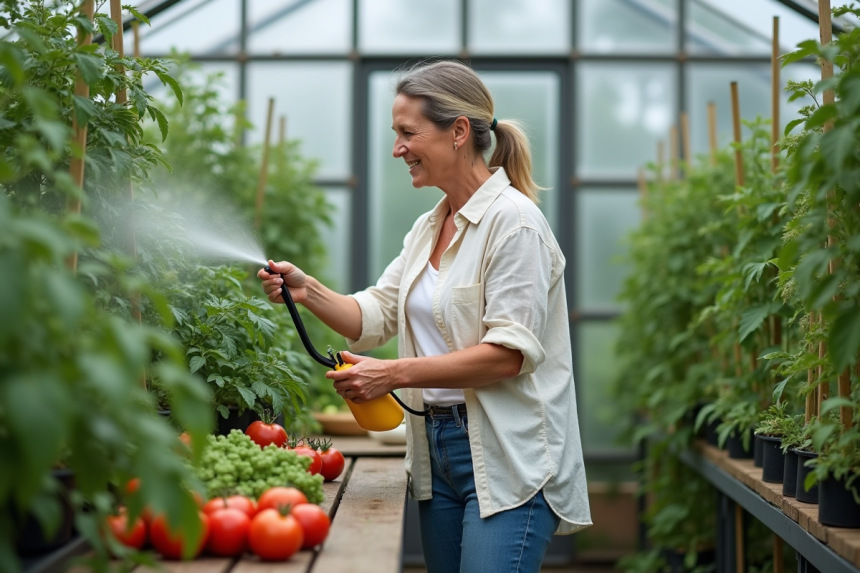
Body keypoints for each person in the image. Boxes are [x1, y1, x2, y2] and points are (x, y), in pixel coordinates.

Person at [258, 60, 590, 573]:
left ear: (458, 132)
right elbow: (374, 315)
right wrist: (309, 291)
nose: (397, 149)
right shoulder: (429, 226)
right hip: (438, 454)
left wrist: (389, 374)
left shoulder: (515, 224)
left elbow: (506, 356)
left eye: (407, 133)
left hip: (508, 458)